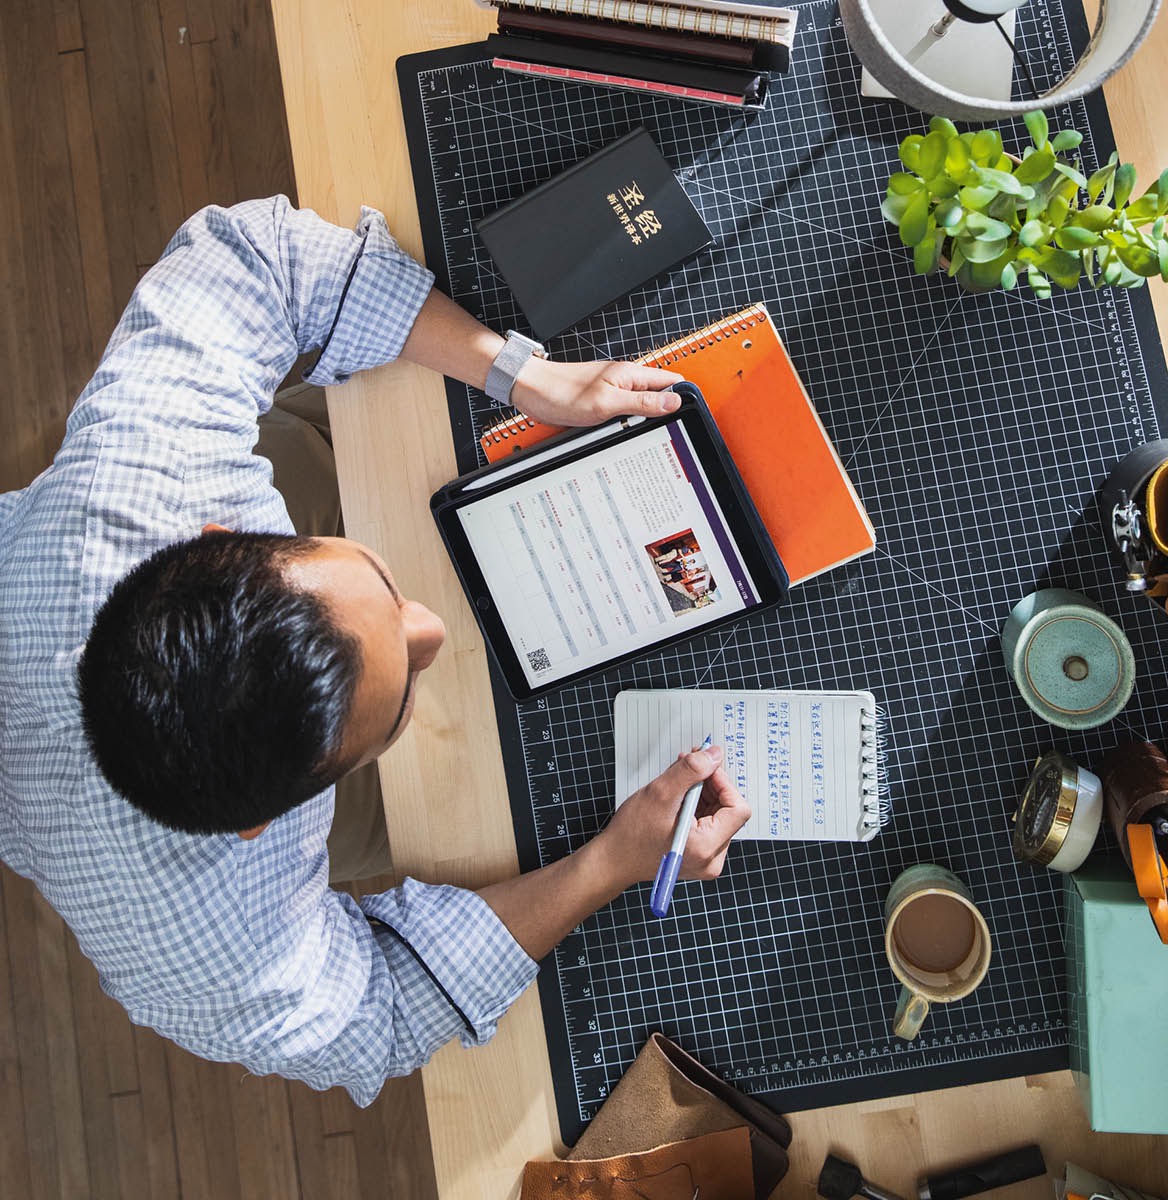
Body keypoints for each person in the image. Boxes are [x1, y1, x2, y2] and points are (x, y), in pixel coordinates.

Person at [0, 197, 751, 1105]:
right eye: (397, 699)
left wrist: (519, 374)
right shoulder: (203, 952)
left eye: (380, 589)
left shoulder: (144, 470)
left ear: (213, 534)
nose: (430, 624)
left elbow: (264, 258)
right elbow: (385, 1012)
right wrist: (609, 865)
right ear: (262, 827)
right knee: (461, 816)